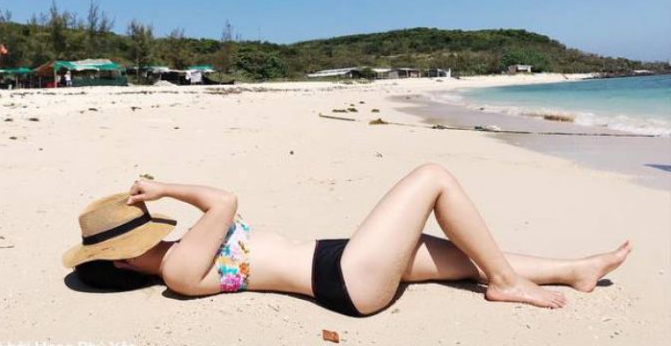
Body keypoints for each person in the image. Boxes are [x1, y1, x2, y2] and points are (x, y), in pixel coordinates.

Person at [63, 163, 631, 316]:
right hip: (343, 280)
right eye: (134, 237)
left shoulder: (182, 254)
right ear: (123, 262)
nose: (150, 228)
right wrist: (165, 187)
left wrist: (159, 195)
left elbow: (223, 209)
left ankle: (573, 270)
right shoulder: (178, 271)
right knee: (432, 177)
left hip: (338, 258)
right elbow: (225, 201)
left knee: (463, 259)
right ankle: (506, 284)